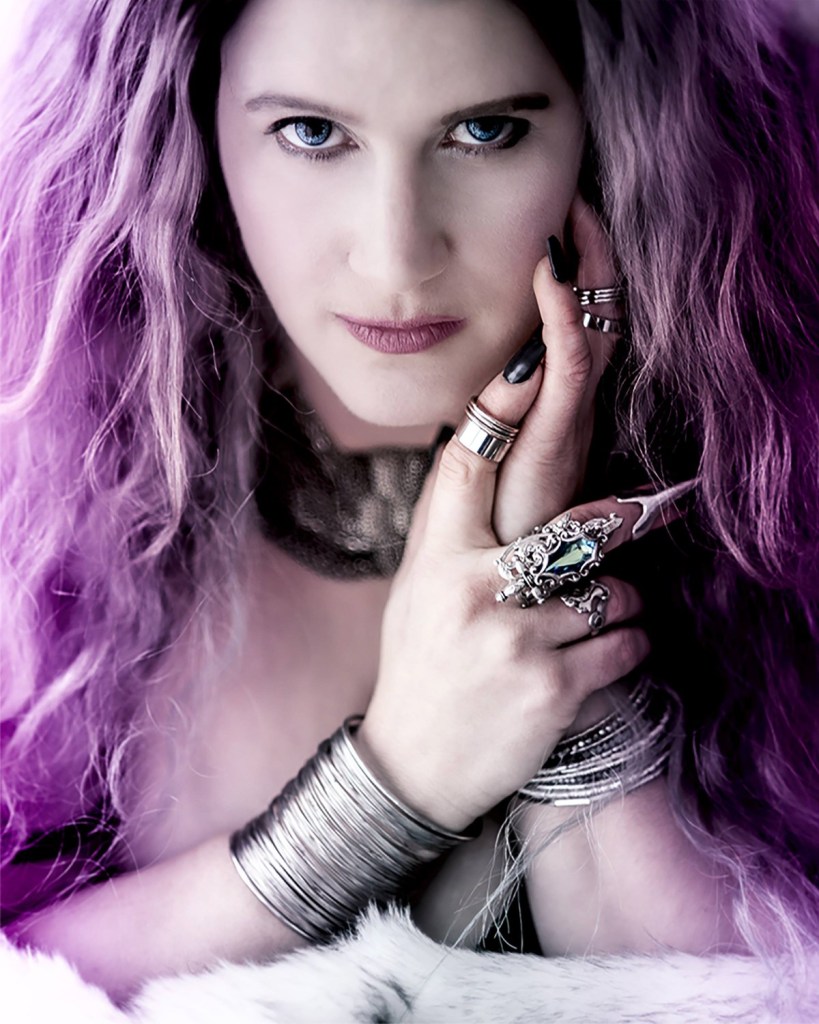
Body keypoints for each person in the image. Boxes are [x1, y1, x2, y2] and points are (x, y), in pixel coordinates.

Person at [1, 0, 817, 1005]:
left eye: (485, 130)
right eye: (311, 132)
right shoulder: (43, 495)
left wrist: (540, 581)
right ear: (191, 120)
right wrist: (399, 776)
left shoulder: (772, 477)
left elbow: (738, 1000)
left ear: (616, 132)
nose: (395, 256)